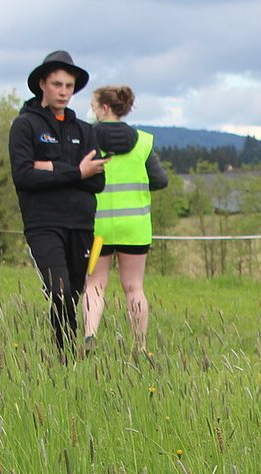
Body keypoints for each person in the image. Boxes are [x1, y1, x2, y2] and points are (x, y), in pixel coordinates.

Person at [8, 50, 106, 353]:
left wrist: (50, 168)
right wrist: (77, 172)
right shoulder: (25, 126)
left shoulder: (85, 131)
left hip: (81, 224)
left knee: (73, 295)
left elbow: (97, 181)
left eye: (69, 86)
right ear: (42, 84)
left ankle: (64, 355)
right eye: (57, 84)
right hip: (43, 223)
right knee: (59, 290)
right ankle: (67, 354)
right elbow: (24, 176)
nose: (64, 92)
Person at [82, 84, 169, 353]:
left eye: (93, 106)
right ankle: (140, 346)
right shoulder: (143, 142)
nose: (92, 112)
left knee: (95, 285)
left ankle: (90, 336)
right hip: (134, 227)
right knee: (134, 288)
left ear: (104, 108)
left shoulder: (87, 138)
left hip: (98, 227)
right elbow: (160, 180)